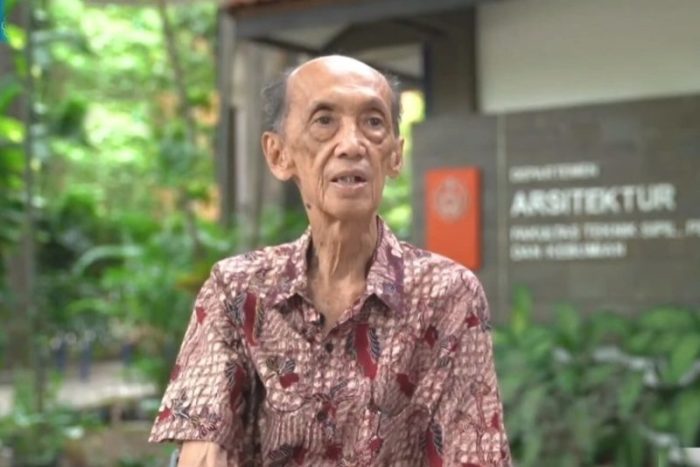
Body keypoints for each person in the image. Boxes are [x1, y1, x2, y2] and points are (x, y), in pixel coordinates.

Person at [149, 55, 511, 466]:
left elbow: (473, 455)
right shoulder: (236, 291)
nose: (352, 144)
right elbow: (201, 446)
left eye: (373, 122)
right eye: (324, 121)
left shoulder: (447, 294)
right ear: (279, 154)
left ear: (395, 155)